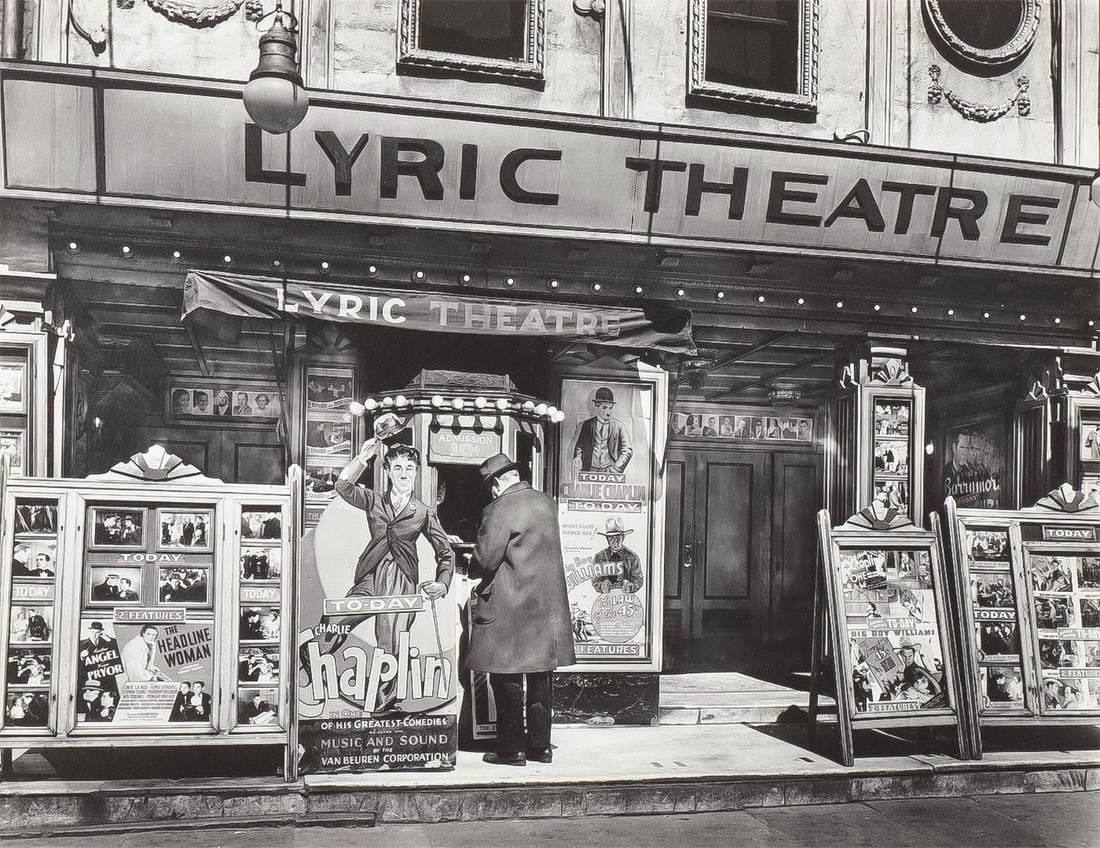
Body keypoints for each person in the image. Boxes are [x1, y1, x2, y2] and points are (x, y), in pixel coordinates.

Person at [307, 434, 453, 712]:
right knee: (339, 616)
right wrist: (363, 458)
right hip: (371, 574)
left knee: (391, 642)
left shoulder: (423, 512)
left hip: (401, 579)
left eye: (409, 468)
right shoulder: (374, 500)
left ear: (416, 472)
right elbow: (342, 486)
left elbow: (446, 552)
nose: (404, 474)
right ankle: (312, 662)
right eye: (397, 468)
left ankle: (384, 707)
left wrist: (442, 584)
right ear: (387, 472)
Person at [465, 453, 576, 766]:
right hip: (547, 607)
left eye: (491, 487)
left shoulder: (499, 507)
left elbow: (485, 560)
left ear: (497, 483)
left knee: (507, 677)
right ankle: (541, 748)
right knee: (541, 677)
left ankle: (510, 750)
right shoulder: (546, 503)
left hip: (512, 605)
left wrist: (469, 566)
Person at [570, 387, 633, 475]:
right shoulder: (586, 425)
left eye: (610, 408)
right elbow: (579, 446)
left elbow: (627, 450)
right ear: (597, 407)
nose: (608, 412)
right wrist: (578, 458)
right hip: (590, 469)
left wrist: (616, 469)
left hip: (610, 469)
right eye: (604, 408)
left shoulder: (619, 427)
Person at [590, 517, 644, 594]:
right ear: (607, 539)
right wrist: (601, 586)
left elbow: (638, 579)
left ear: (623, 537)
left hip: (627, 598)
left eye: (618, 537)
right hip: (605, 599)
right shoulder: (599, 557)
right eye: (611, 538)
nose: (615, 541)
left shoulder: (632, 557)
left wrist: (630, 586)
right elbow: (595, 580)